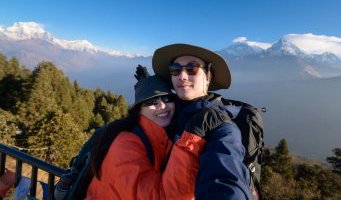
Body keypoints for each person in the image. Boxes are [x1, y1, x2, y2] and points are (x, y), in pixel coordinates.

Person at [85, 65, 230, 200]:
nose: (162, 106)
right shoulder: (126, 144)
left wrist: (148, 84)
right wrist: (193, 136)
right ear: (139, 110)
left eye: (167, 98)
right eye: (151, 102)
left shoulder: (158, 135)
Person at [153, 43, 259, 200]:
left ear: (208, 77)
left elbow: (225, 178)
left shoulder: (219, 123)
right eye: (175, 69)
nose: (182, 76)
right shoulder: (173, 108)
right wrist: (147, 88)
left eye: (191, 69)